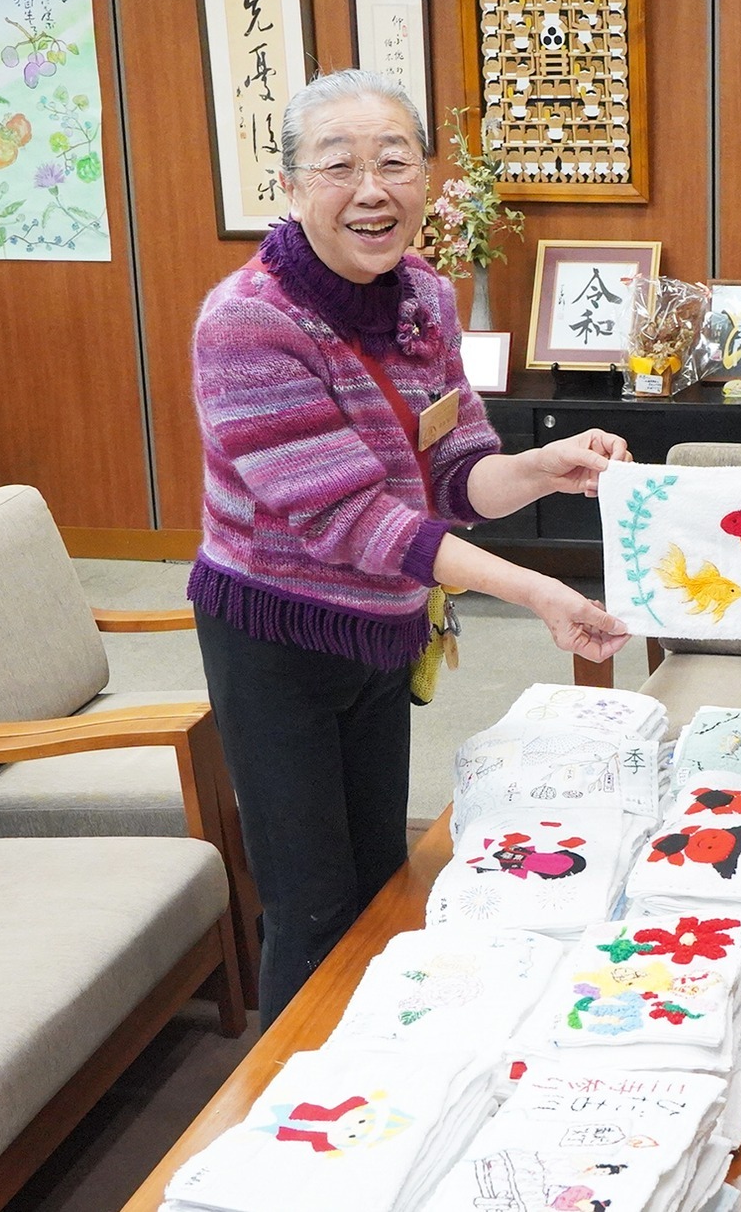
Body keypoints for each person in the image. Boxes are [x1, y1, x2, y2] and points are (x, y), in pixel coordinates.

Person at [188, 69, 632, 1023]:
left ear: (426, 176)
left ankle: (379, 1077)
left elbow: (453, 467)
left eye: (395, 160)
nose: (372, 189)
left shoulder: (425, 294)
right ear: (290, 187)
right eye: (338, 165)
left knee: (382, 877)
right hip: (279, 642)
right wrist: (536, 590)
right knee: (310, 905)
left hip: (381, 631)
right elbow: (357, 519)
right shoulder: (246, 326)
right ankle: (289, 1114)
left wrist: (543, 465)